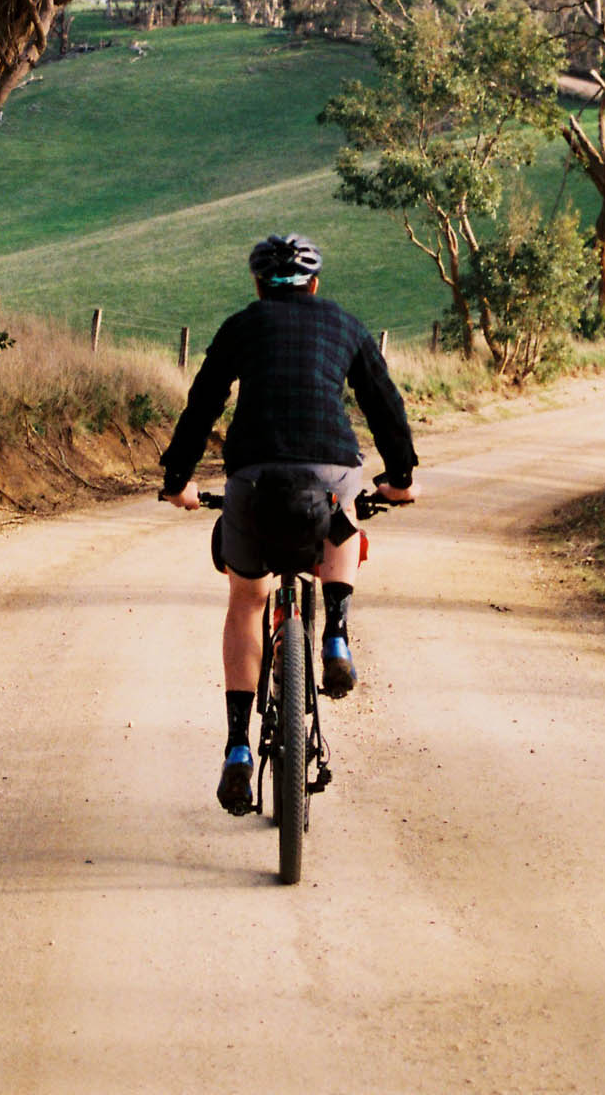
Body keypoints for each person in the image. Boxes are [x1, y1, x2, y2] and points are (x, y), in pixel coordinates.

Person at [160, 233, 421, 814]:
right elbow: (385, 404)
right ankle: (336, 633)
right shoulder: (346, 327)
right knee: (344, 514)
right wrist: (400, 475)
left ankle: (236, 750)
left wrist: (178, 479)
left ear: (257, 286)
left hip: (252, 481)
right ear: (315, 283)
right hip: (329, 476)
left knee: (247, 601)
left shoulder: (241, 327)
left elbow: (202, 404)